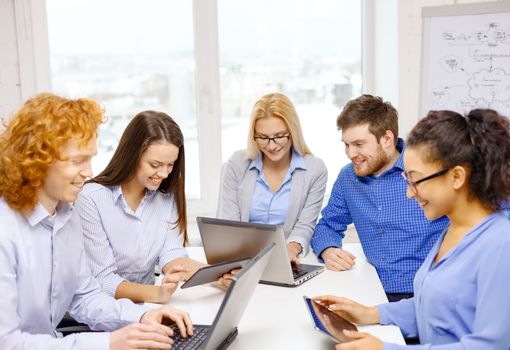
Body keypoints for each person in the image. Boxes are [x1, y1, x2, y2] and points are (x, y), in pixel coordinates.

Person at [314, 109, 510, 349]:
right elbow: (431, 306)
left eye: (415, 180)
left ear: (456, 177)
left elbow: (488, 346)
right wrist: (369, 313)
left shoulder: (503, 246)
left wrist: (385, 349)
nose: (408, 192)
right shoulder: (452, 230)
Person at [0, 93, 193, 349]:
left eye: (90, 158)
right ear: (36, 160)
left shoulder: (66, 218)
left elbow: (84, 297)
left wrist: (143, 316)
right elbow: (6, 341)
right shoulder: (6, 231)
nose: (89, 172)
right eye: (78, 161)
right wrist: (109, 343)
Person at [76, 111, 204, 304]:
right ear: (132, 155)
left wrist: (219, 276)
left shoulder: (166, 195)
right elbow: (103, 279)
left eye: (170, 164)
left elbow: (172, 254)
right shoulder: (91, 199)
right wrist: (157, 293)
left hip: (149, 306)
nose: (163, 173)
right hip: (106, 312)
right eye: (155, 164)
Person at [217, 92, 328, 263]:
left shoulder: (315, 170)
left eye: (279, 136)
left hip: (285, 259)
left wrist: (291, 250)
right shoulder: (237, 164)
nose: (271, 146)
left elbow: (305, 225)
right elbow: (230, 223)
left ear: (293, 131)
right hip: (242, 258)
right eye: (263, 137)